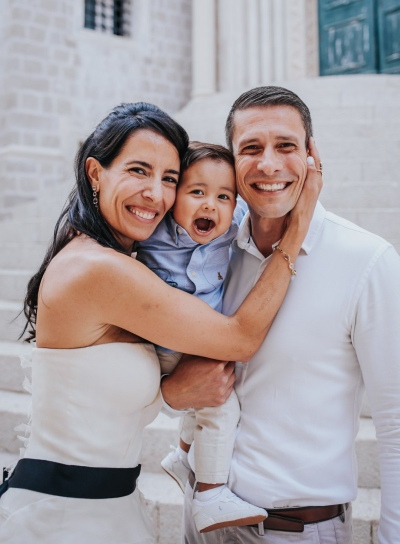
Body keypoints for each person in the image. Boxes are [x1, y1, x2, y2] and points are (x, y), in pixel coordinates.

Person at [0, 101, 321, 544]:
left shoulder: (108, 255)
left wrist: (170, 393)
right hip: (63, 516)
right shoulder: (100, 269)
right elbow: (240, 338)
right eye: (138, 170)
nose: (157, 194)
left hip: (105, 504)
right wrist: (298, 227)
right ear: (96, 173)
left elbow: (95, 399)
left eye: (170, 178)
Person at [160, 86, 400, 544]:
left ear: (311, 155)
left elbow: (395, 421)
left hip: (295, 530)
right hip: (201, 519)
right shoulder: (210, 253)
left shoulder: (367, 260)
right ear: (230, 162)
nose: (268, 164)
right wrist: (173, 391)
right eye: (251, 148)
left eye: (285, 146)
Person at [135, 141, 261, 533]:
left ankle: (182, 454)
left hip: (205, 337)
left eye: (223, 196)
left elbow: (255, 202)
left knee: (202, 405)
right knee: (221, 408)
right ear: (173, 199)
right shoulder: (153, 232)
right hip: (169, 344)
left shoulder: (231, 225)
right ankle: (209, 493)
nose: (211, 205)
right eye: (197, 192)